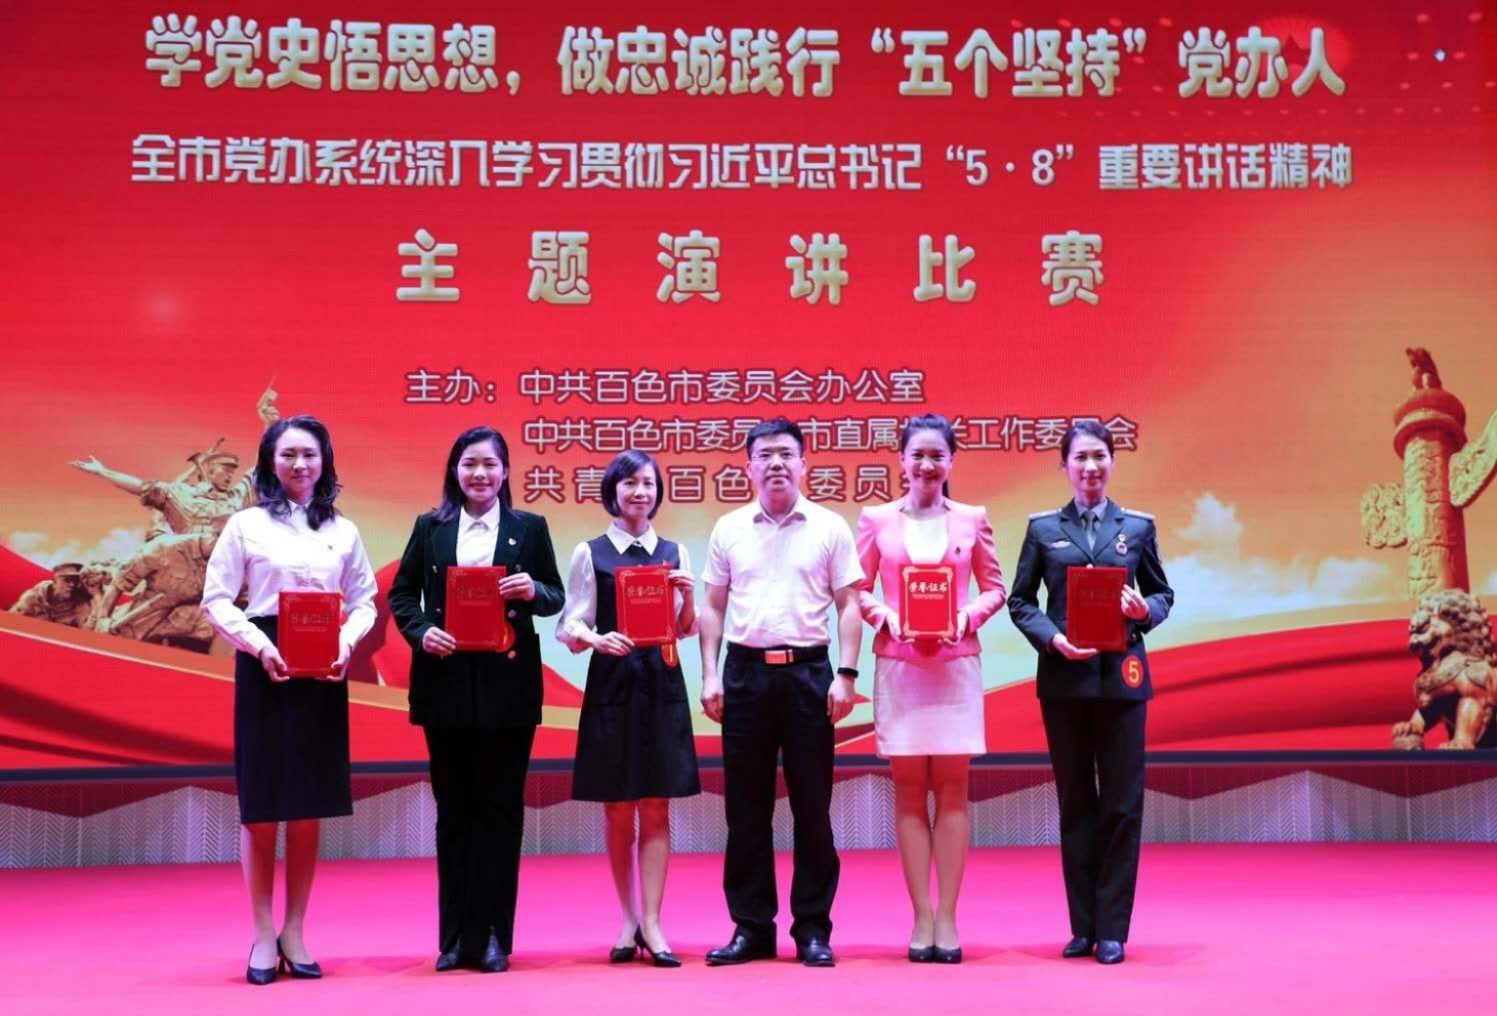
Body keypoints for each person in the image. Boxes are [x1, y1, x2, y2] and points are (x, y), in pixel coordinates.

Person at [201, 415, 379, 985]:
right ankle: (261, 934)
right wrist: (258, 646)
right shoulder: (245, 525)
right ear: (269, 463)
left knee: (307, 805)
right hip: (266, 664)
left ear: (325, 461)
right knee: (262, 807)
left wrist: (345, 644)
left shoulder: (343, 530)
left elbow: (365, 601)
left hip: (324, 666)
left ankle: (295, 930)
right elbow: (217, 600)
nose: (300, 465)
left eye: (310, 454)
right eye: (288, 455)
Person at [388, 426, 565, 974]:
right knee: (454, 810)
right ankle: (453, 937)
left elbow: (555, 595)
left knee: (500, 809)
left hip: (508, 688)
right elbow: (402, 593)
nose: (480, 474)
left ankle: (491, 936)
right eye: (469, 464)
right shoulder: (431, 526)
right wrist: (421, 632)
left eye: (490, 464)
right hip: (445, 684)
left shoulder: (529, 527)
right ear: (455, 471)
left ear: (505, 472)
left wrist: (533, 591)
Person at [698, 417, 864, 968]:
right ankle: (751, 927)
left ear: (803, 464)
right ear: (747, 466)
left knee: (812, 807)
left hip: (809, 676)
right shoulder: (729, 528)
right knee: (746, 810)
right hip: (744, 676)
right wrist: (710, 674)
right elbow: (713, 608)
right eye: (764, 455)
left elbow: (849, 605)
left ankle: (812, 928)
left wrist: (846, 675)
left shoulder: (829, 527)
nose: (775, 463)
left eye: (786, 454)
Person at [1007, 420, 1174, 966]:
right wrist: (1052, 639)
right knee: (1077, 803)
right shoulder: (1042, 529)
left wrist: (1144, 611)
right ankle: (1082, 927)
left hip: (1123, 682)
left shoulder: (1138, 527)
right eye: (1080, 457)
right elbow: (1020, 601)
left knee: (1122, 805)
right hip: (1065, 682)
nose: (1090, 467)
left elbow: (1162, 593)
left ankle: (1113, 929)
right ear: (1065, 466)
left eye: (1099, 456)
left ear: (1112, 462)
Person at [854, 414, 1006, 963]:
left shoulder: (971, 519)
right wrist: (886, 617)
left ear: (951, 461)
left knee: (954, 788)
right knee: (910, 789)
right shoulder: (876, 519)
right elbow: (857, 589)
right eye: (917, 454)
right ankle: (921, 916)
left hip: (954, 666)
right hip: (900, 667)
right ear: (901, 460)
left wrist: (965, 618)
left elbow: (995, 588)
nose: (926, 465)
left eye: (937, 455)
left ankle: (948, 917)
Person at [557, 450, 701, 967]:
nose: (640, 492)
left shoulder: (675, 553)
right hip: (613, 685)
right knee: (619, 806)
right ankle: (627, 919)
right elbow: (569, 626)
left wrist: (689, 598)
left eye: (648, 484)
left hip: (661, 684)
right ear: (612, 492)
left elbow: (685, 629)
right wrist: (597, 639)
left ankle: (654, 922)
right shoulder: (590, 552)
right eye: (629, 484)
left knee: (657, 805)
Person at [9, 562, 94, 627]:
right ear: (54, 582)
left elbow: (86, 633)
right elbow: (10, 621)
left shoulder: (81, 605)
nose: (72, 585)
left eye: (76, 581)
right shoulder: (32, 598)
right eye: (67, 580)